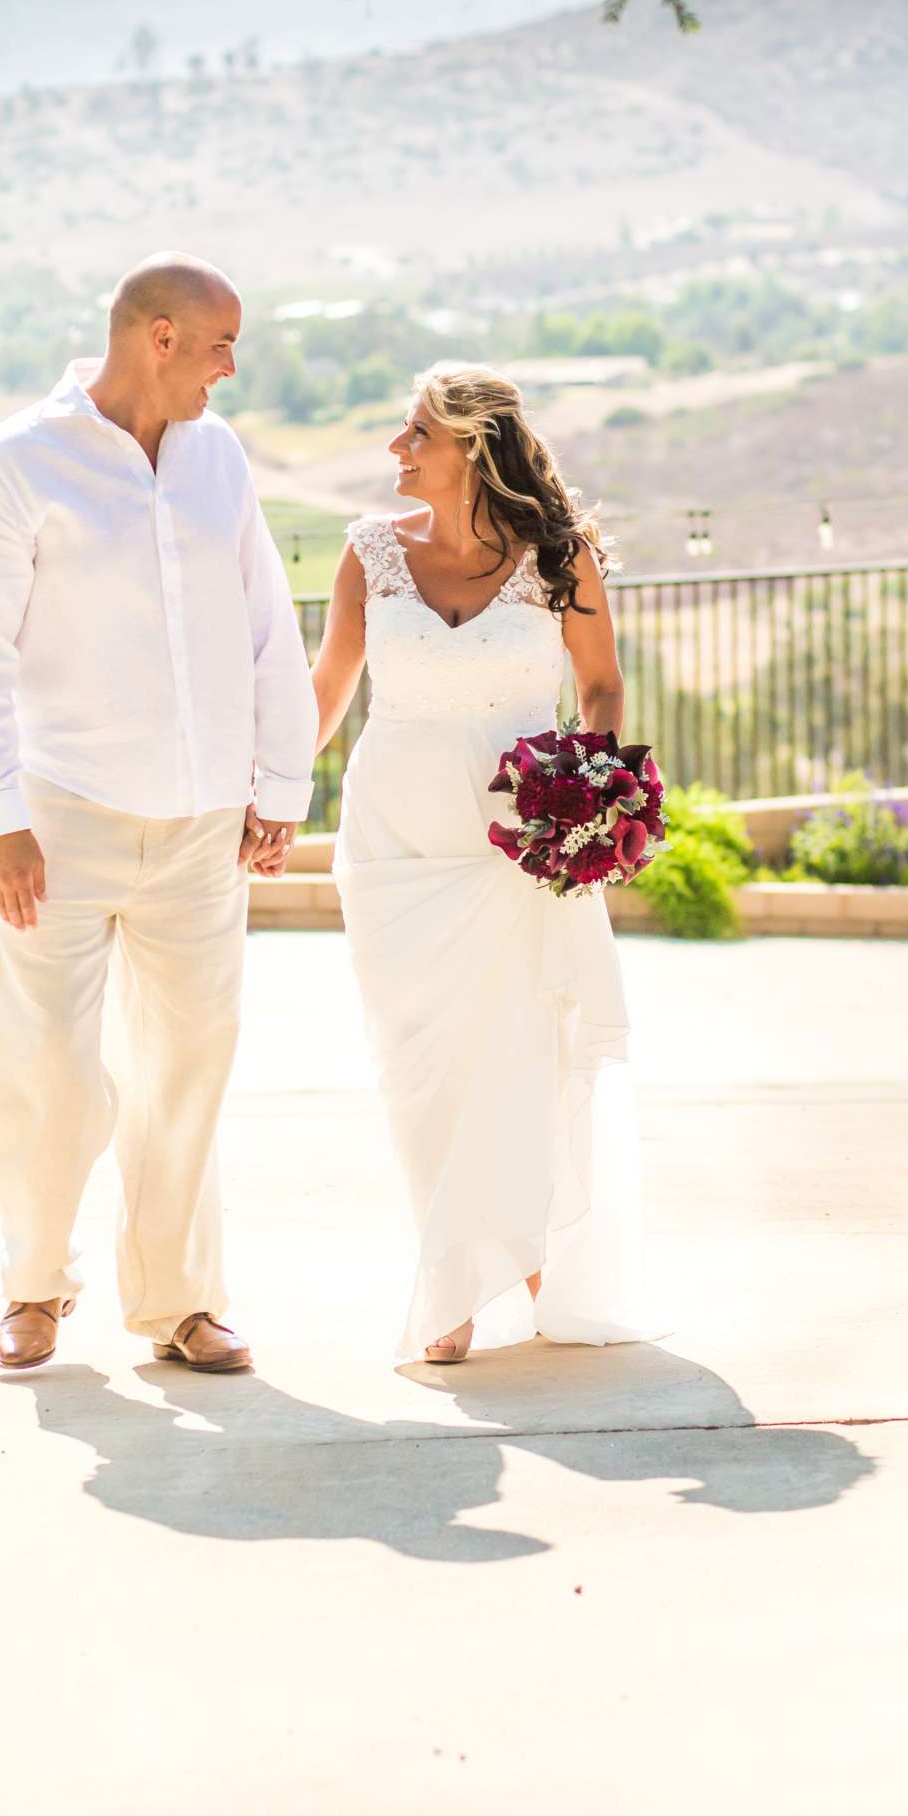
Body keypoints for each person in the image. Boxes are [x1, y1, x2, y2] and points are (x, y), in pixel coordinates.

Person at [0, 252, 317, 1374]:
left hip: (202, 829)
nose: (230, 369)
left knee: (189, 1063)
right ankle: (34, 1288)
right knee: (38, 1062)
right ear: (157, 336)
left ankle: (181, 1302)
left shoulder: (219, 459)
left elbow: (264, 624)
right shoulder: (14, 464)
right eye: (218, 346)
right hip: (57, 822)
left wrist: (276, 786)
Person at [310, 364, 644, 1364]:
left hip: (515, 840)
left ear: (471, 448)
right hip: (392, 837)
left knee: (520, 1051)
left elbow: (601, 688)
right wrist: (270, 793)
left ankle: (509, 1268)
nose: (396, 448)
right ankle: (457, 1273)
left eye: (415, 432)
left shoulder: (559, 557)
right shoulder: (369, 554)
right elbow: (327, 691)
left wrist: (589, 799)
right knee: (418, 1061)